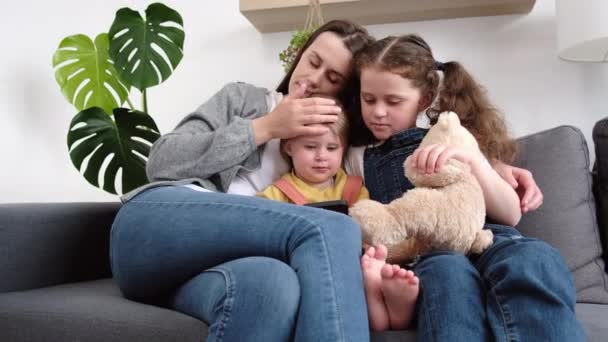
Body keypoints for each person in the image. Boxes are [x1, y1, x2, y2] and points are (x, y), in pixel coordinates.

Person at [110, 20, 375, 342]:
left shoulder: (338, 147)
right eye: (313, 62)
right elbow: (161, 161)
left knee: (270, 286)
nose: (314, 79)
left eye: (333, 79)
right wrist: (264, 128)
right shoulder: (242, 99)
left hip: (195, 276)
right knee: (332, 227)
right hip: (154, 229)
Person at [345, 34, 585, 340]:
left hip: (488, 237)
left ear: (424, 99)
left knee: (534, 258)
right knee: (447, 276)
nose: (378, 111)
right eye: (369, 99)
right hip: (427, 252)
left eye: (393, 101)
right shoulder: (357, 157)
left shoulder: (452, 134)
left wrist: (474, 159)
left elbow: (511, 215)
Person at [257, 96, 369, 206]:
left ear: (343, 150)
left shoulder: (356, 191)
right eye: (310, 147)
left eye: (331, 148)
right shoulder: (276, 195)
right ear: (289, 148)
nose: (321, 156)